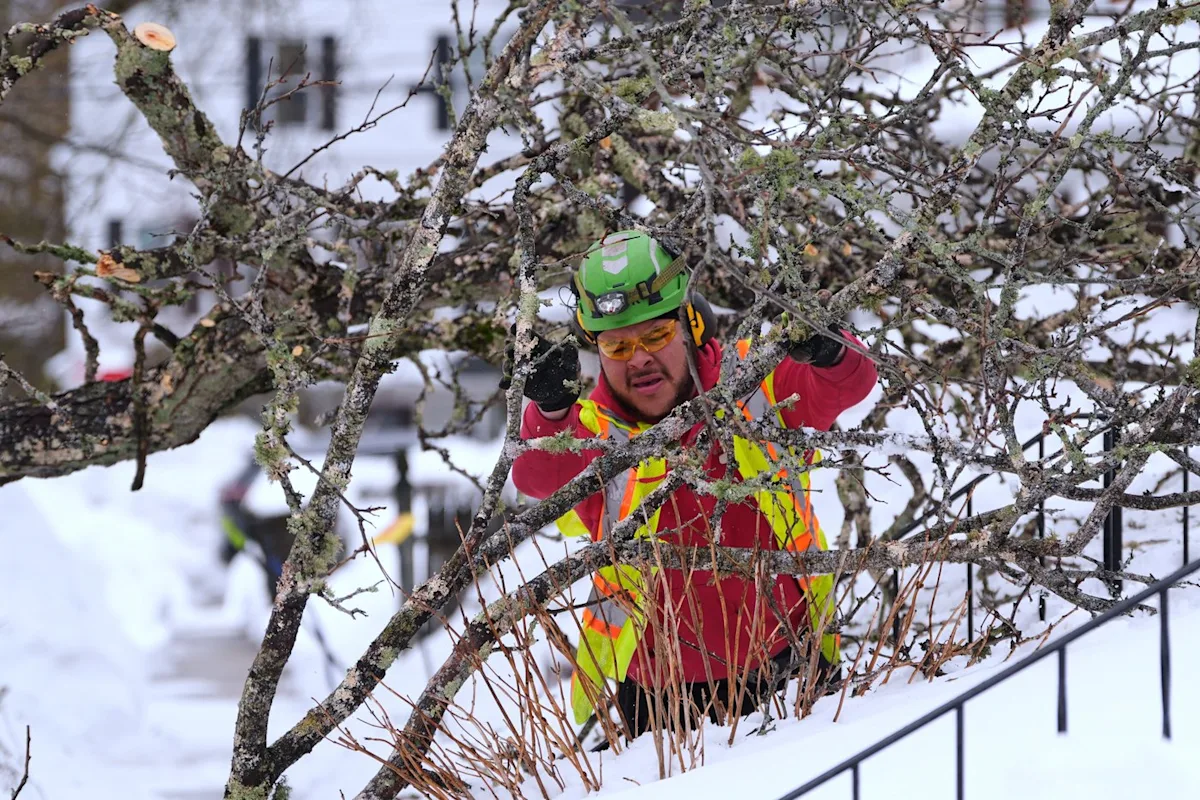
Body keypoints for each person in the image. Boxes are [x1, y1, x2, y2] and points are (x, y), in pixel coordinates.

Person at [507, 230, 878, 738]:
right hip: (657, 701)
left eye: (656, 336)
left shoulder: (754, 378)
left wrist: (829, 347)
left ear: (692, 323)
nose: (638, 358)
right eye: (617, 344)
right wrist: (549, 410)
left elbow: (847, 382)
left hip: (789, 665)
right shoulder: (589, 430)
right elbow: (536, 476)